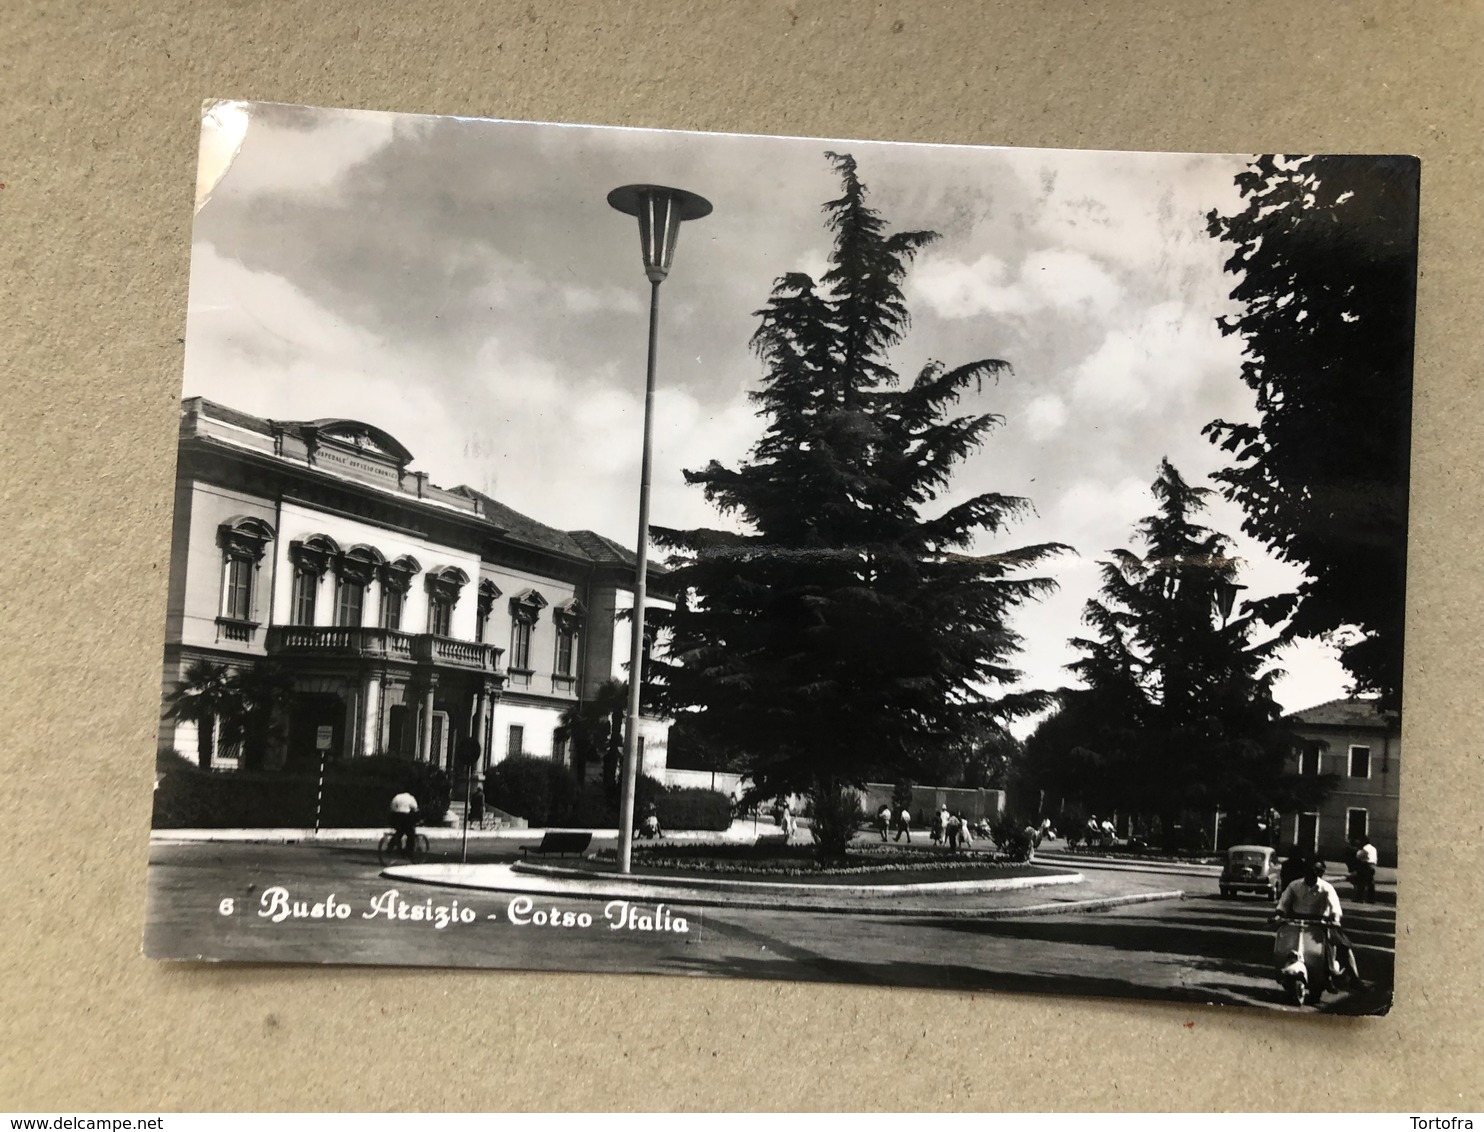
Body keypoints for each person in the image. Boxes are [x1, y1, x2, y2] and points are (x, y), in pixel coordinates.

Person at [1276, 858, 1363, 985]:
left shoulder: (1327, 888)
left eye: (1316, 871)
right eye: (1309, 871)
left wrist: (1335, 919)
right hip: (1295, 921)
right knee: (1283, 940)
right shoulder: (1294, 886)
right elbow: (1283, 903)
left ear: (1320, 873)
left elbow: (1335, 908)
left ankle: (1353, 978)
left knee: (1343, 946)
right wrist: (1279, 914)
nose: (1311, 874)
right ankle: (1281, 965)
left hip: (1321, 923)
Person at [389, 788, 420, 853]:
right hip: (405, 817)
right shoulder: (410, 798)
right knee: (410, 834)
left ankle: (391, 846)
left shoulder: (397, 797)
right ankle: (409, 851)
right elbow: (415, 808)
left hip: (396, 816)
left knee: (399, 832)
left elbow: (392, 807)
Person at [1352, 835, 1378, 903]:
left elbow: (1358, 856)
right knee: (1370, 883)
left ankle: (1359, 898)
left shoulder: (1365, 849)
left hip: (1365, 866)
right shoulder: (1373, 848)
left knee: (1361, 882)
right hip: (1372, 866)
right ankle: (1371, 899)